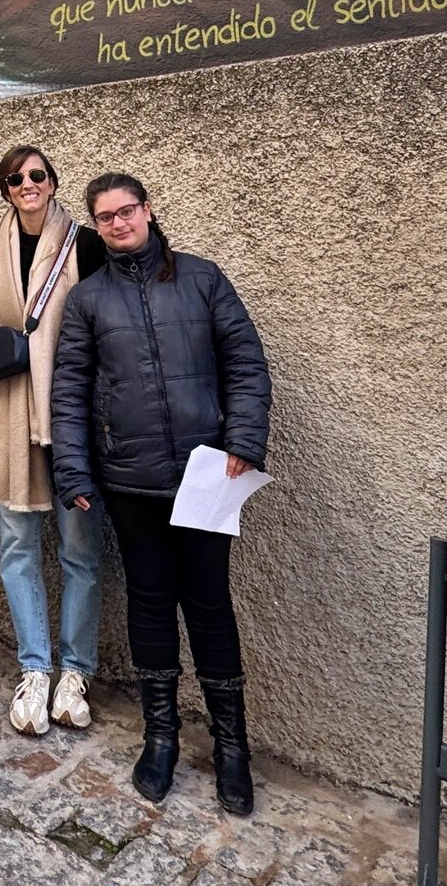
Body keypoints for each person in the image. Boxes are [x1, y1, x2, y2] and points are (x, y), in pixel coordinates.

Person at [50, 172, 272, 816]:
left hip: (207, 475)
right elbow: (69, 390)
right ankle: (162, 736)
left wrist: (243, 440)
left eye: (127, 211)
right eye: (105, 217)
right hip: (130, 481)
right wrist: (74, 471)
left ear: (147, 211)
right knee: (149, 603)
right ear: (96, 226)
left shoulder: (202, 279)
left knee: (209, 603)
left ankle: (232, 746)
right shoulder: (89, 299)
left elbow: (245, 364)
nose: (118, 223)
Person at [0, 144, 107, 737]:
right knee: (18, 547)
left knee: (80, 551)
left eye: (36, 175)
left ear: (53, 182)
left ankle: (75, 671)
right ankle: (34, 667)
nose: (26, 184)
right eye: (14, 178)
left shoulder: (86, 245)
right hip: (9, 415)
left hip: (71, 418)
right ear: (5, 190)